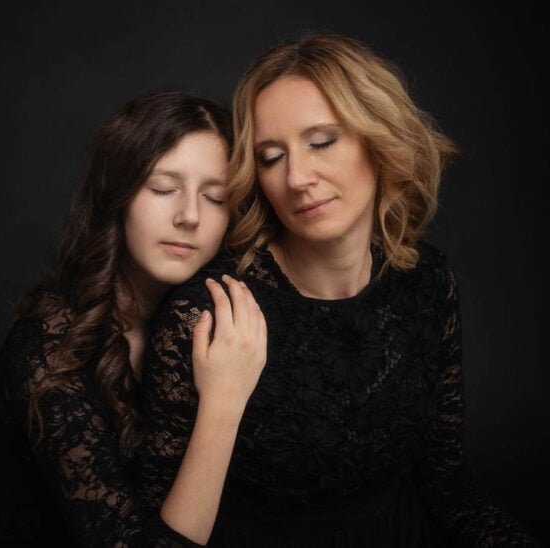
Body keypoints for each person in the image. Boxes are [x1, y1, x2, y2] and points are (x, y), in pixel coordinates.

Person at [137, 34, 540, 546]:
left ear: (379, 139)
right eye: (270, 156)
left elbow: (445, 482)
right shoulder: (209, 311)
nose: (298, 177)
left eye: (322, 142)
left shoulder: (428, 282)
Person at [0, 91, 267, 547]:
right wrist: (224, 402)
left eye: (215, 197)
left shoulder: (208, 320)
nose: (189, 216)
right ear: (119, 194)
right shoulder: (49, 350)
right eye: (163, 189)